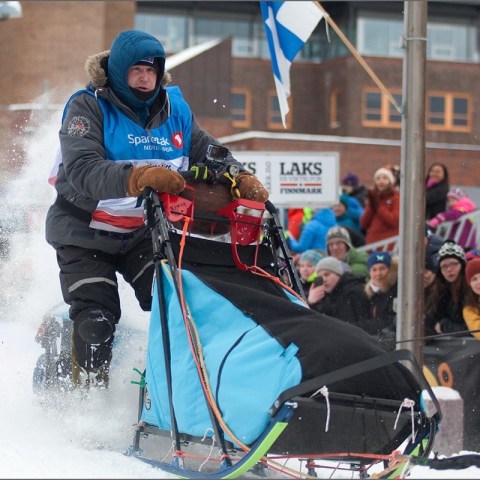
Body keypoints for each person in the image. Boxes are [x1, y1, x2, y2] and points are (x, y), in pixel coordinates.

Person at [45, 30, 268, 388]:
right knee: (97, 320)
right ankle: (84, 401)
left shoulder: (174, 109)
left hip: (141, 233)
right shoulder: (86, 106)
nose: (145, 78)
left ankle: (170, 391)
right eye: (136, 70)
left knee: (179, 309)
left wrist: (239, 177)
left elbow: (208, 152)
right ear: (119, 70)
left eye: (152, 70)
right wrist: (139, 177)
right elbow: (83, 171)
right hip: (83, 232)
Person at [308, 256, 373, 332]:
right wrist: (311, 304)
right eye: (320, 277)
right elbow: (320, 325)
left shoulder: (355, 291)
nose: (324, 280)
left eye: (327, 274)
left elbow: (366, 324)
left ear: (338, 274)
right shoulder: (326, 297)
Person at [424, 240, 468, 336]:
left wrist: (445, 326)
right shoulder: (440, 292)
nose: (449, 269)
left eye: (453, 264)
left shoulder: (472, 290)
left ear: (463, 265)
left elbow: (472, 330)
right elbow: (429, 321)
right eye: (444, 266)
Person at [364, 251, 398, 350]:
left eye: (382, 268)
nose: (378, 273)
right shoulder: (373, 294)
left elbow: (389, 321)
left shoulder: (396, 289)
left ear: (390, 269)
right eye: (374, 270)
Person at [360, 167, 400, 249]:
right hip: (372, 246)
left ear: (391, 181)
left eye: (385, 178)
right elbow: (363, 224)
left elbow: (394, 221)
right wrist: (372, 204)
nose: (381, 181)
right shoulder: (374, 198)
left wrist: (378, 207)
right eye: (378, 178)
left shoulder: (396, 197)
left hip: (388, 246)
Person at [463, 258, 480, 340]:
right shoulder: (469, 309)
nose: (479, 282)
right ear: (470, 285)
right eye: (474, 279)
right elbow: (477, 330)